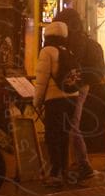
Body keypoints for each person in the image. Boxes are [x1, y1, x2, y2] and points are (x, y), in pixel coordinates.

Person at [59, 4, 103, 185]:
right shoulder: (83, 37)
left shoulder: (73, 40)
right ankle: (79, 162)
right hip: (83, 84)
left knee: (72, 124)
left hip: (75, 85)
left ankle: (84, 165)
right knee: (72, 123)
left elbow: (71, 64)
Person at [33, 20, 79, 187]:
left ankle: (54, 173)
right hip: (72, 96)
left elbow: (41, 80)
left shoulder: (47, 51)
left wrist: (36, 101)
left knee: (52, 135)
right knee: (65, 134)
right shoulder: (68, 50)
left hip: (55, 99)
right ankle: (65, 170)